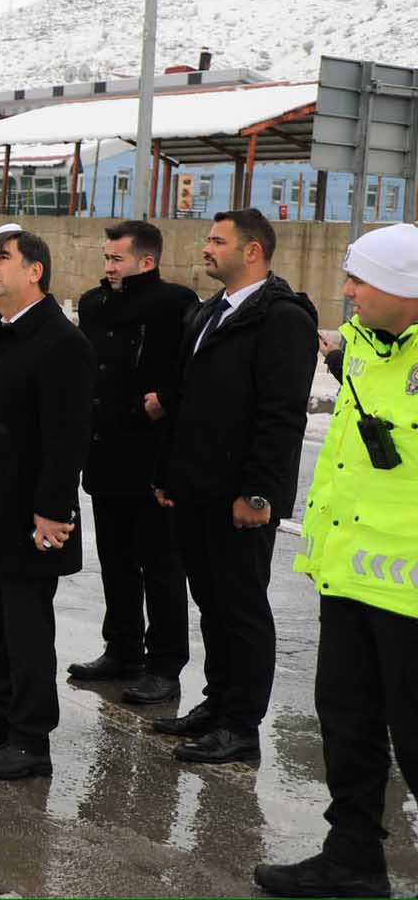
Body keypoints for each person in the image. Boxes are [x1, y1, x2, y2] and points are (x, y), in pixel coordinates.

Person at [253, 223, 418, 899]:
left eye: (360, 279)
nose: (346, 291)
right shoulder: (361, 353)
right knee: (347, 728)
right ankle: (352, 857)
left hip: (411, 599)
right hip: (350, 580)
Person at [153, 208, 318, 767]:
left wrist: (260, 494)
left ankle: (241, 727)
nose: (206, 248)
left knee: (242, 608)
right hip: (195, 489)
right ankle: (216, 703)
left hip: (240, 497)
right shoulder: (208, 314)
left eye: (217, 241)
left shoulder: (282, 318)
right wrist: (168, 478)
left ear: (252, 252)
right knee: (211, 603)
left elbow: (281, 415)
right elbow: (186, 402)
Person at [0, 229, 94, 781]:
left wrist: (54, 510)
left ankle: (31, 739)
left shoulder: (60, 342)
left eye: (2, 259)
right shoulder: (1, 332)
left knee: (27, 630)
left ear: (36, 271)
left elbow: (66, 437)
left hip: (31, 516)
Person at [67, 220, 199, 706]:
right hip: (106, 451)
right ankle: (121, 647)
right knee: (116, 560)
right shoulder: (94, 303)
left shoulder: (175, 303)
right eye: (106, 258)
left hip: (153, 455)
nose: (108, 266)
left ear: (147, 261)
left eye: (117, 259)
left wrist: (163, 400)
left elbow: (193, 368)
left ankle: (165, 665)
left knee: (161, 565)